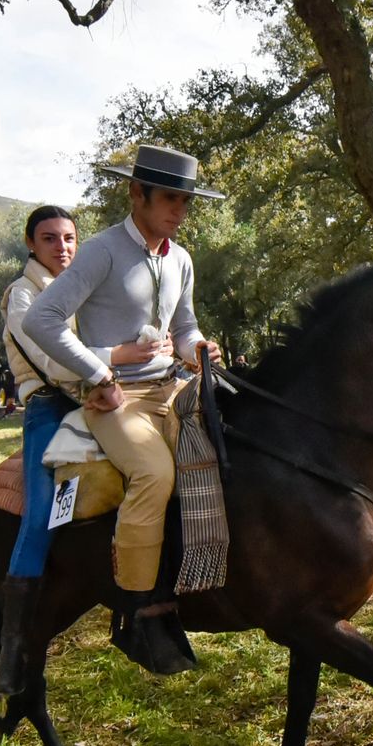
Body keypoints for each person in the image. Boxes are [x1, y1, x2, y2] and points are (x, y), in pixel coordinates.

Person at [23, 144, 225, 675]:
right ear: (136, 195)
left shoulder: (180, 258)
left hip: (172, 389)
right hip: (114, 399)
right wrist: (98, 373)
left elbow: (184, 328)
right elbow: (41, 319)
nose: (180, 211)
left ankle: (203, 584)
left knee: (227, 455)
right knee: (155, 473)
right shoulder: (102, 251)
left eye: (187, 201)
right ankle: (140, 611)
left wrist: (199, 350)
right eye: (170, 199)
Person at [0, 205, 84, 686]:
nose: (62, 247)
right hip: (52, 407)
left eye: (69, 238)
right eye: (49, 239)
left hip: (102, 402)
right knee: (40, 513)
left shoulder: (81, 290)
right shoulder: (21, 295)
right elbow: (50, 360)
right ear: (31, 243)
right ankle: (14, 646)